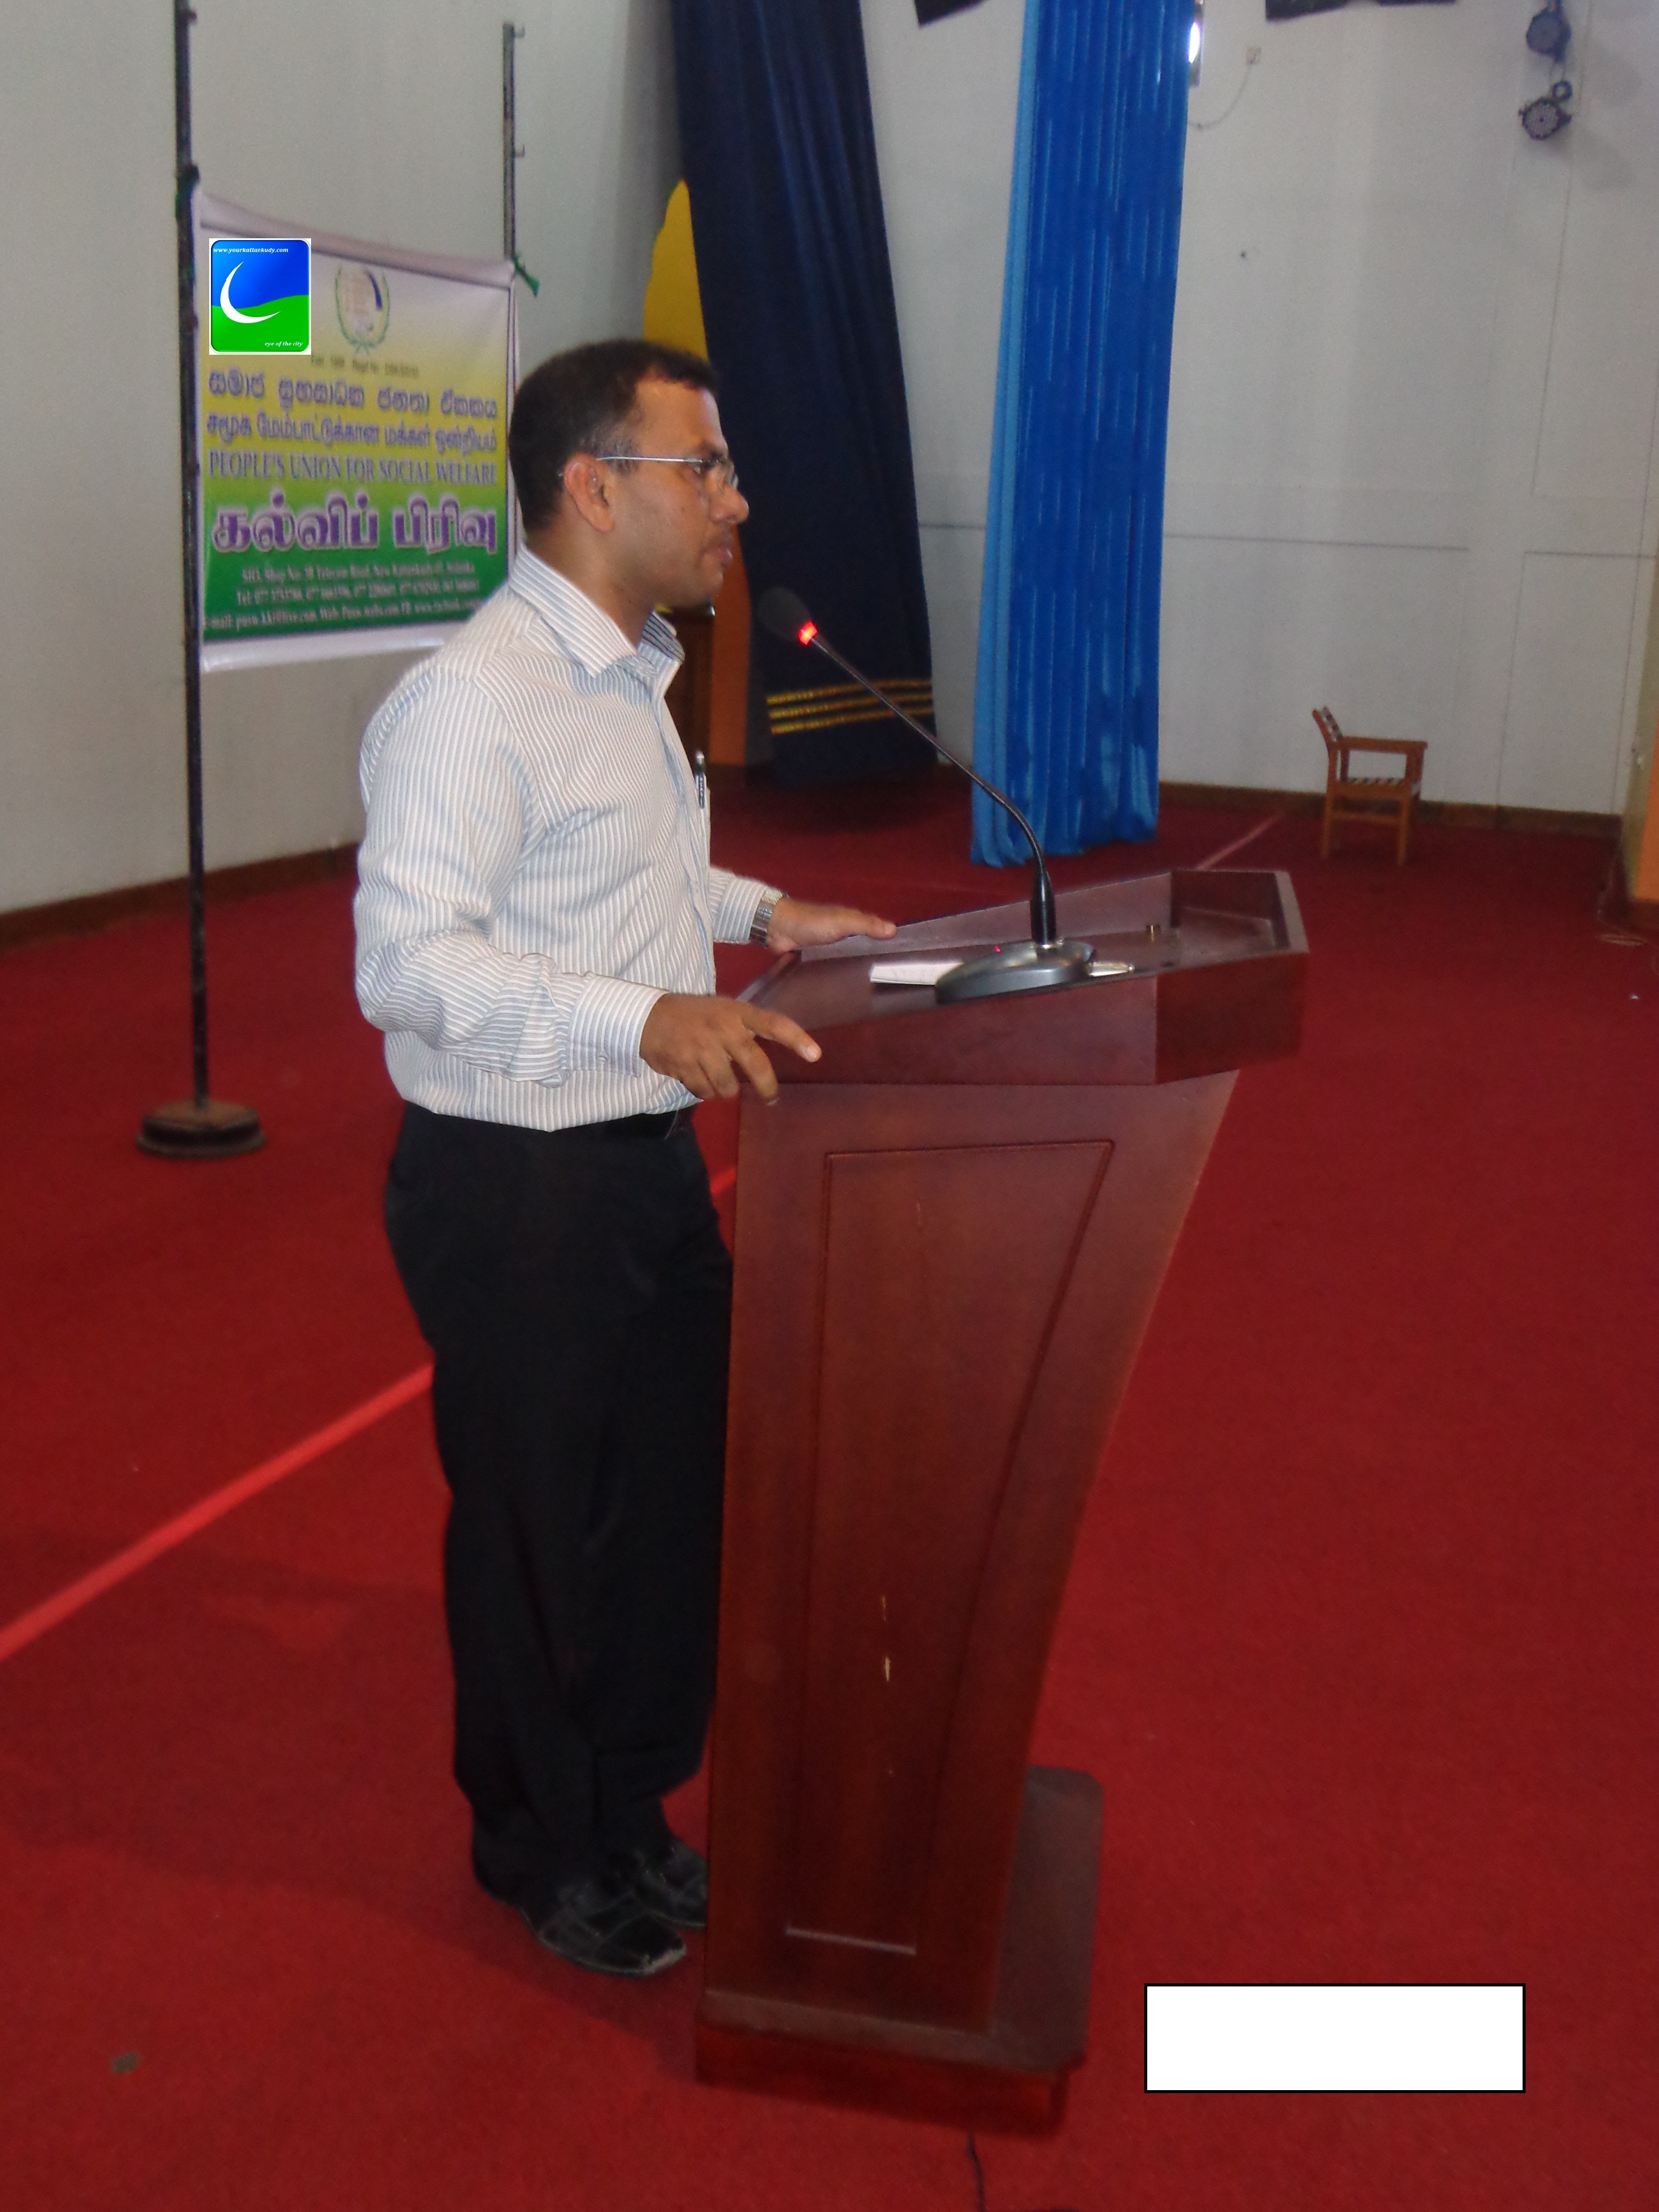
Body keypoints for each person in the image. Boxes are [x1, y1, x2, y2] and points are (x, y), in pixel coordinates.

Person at [353, 339, 894, 1978]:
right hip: (514, 1184)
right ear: (593, 489)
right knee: (538, 1536)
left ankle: (631, 1811)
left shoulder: (631, 674)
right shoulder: (472, 701)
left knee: (663, 1512)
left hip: (643, 1167)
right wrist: (645, 1019)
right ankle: (542, 1847)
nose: (737, 500)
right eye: (704, 467)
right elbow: (410, 966)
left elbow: (620, 881)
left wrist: (762, 911)